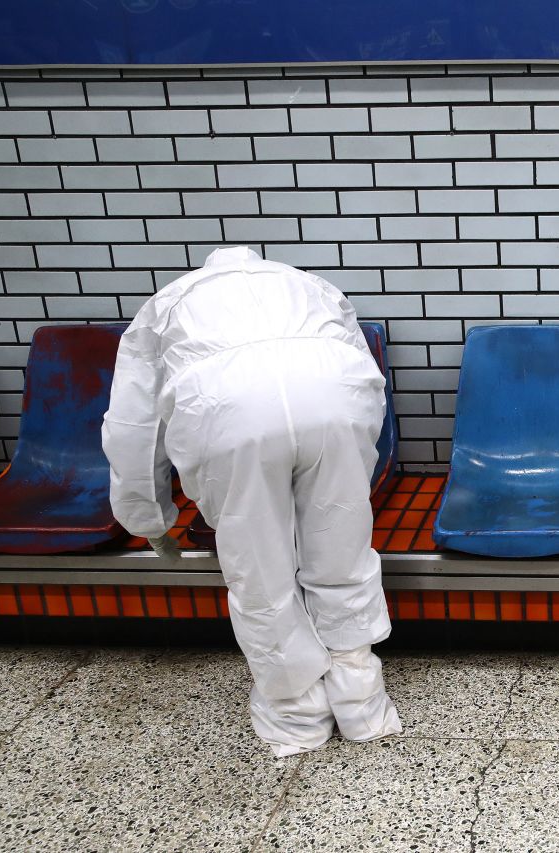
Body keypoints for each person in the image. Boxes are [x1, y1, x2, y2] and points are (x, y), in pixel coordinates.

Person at [103, 246, 402, 756]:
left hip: (225, 413)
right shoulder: (311, 284)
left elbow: (135, 422)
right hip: (334, 400)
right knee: (342, 552)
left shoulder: (169, 301)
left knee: (260, 571)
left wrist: (149, 518)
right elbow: (365, 376)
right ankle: (362, 705)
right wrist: (355, 463)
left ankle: (297, 717)